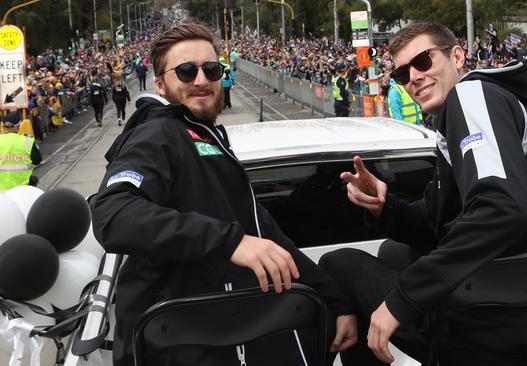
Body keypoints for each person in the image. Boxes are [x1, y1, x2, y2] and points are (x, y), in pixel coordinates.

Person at [91, 23, 356, 366]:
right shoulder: (157, 134)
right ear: (160, 84)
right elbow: (113, 214)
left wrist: (334, 299)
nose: (201, 80)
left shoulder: (204, 135)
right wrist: (229, 242)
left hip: (230, 330)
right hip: (182, 343)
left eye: (211, 69)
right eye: (186, 71)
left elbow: (263, 233)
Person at [319, 22, 527, 365]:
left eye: (423, 61)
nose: (412, 77)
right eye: (401, 73)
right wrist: (385, 207)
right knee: (393, 250)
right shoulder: (471, 114)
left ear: (457, 56)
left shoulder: (472, 97)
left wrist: (402, 300)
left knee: (338, 263)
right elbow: (433, 221)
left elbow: (502, 209)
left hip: (495, 323)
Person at [0, 122, 41, 190]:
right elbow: (37, 160)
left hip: (1, 189)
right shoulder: (27, 140)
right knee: (34, 180)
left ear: (4, 127)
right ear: (17, 127)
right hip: (24, 186)